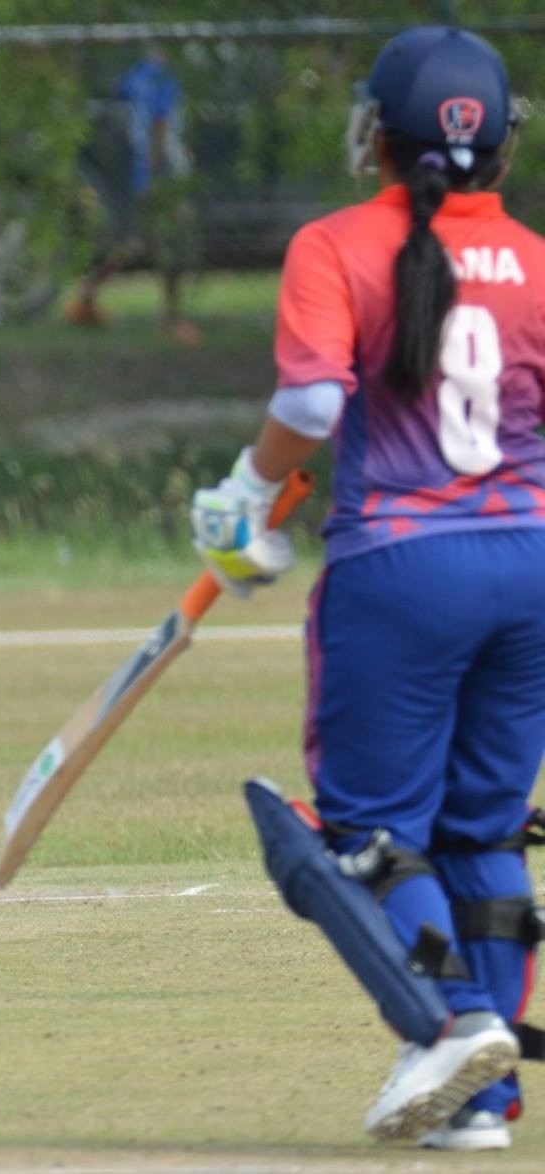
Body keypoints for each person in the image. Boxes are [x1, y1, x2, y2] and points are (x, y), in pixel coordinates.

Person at [190, 26, 543, 1149]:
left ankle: (449, 1021)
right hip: (530, 562)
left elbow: (307, 410)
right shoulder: (535, 258)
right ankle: (479, 1099)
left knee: (365, 833)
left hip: (399, 567)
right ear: (499, 144)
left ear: (375, 139)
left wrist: (244, 495)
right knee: (480, 829)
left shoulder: (336, 243)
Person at [66, 47, 201, 345]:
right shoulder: (165, 79)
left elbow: (115, 101)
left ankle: (87, 294)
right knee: (171, 243)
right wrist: (155, 175)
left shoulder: (137, 75)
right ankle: (171, 318)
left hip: (141, 169)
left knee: (138, 241)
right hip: (162, 172)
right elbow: (159, 125)